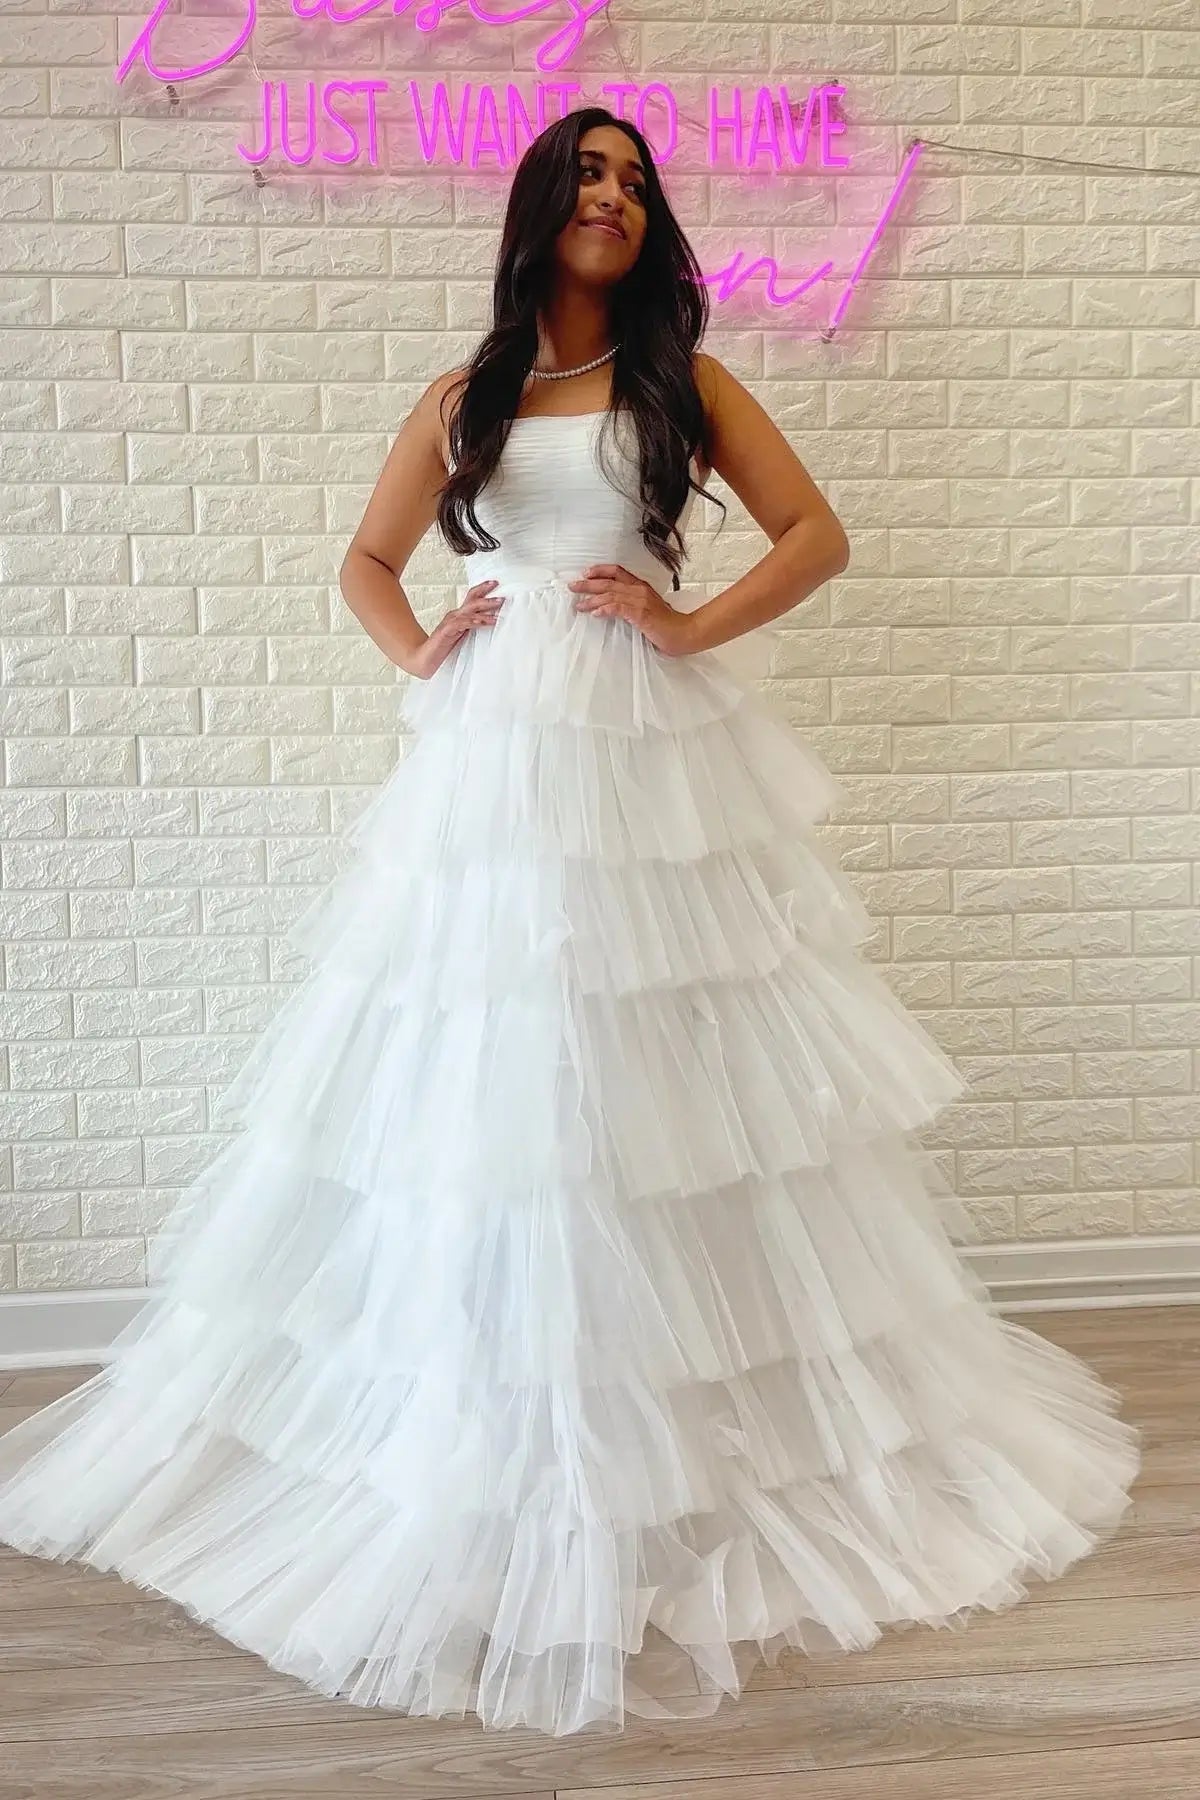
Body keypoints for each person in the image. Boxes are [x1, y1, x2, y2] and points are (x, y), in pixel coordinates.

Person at [0, 106, 1141, 1741]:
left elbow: (819, 535)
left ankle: (672, 1406)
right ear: (541, 204)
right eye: (589, 174)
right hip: (491, 752)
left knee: (659, 1045)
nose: (613, 196)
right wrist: (418, 646)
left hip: (637, 743)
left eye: (635, 181)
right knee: (492, 1051)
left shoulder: (683, 382)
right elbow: (366, 557)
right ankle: (492, 1398)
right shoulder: (464, 396)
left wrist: (686, 625)